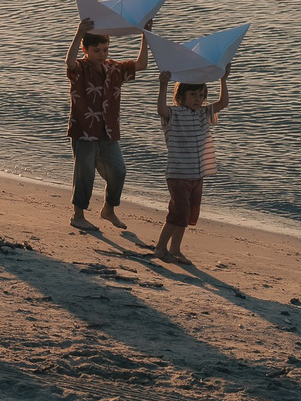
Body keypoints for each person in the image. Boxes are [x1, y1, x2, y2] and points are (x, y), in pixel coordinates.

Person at [66, 21, 149, 232]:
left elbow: (141, 64)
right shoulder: (81, 68)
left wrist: (145, 35)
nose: (102, 54)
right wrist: (79, 33)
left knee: (119, 171)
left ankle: (108, 209)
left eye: (105, 50)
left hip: (108, 130)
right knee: (84, 172)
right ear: (85, 50)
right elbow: (69, 61)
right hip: (84, 128)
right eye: (96, 51)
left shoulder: (114, 68)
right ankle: (78, 215)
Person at [151, 70, 232, 263]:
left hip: (198, 173)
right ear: (181, 96)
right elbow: (161, 109)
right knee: (179, 211)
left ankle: (175, 249)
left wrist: (223, 79)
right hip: (178, 173)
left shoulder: (204, 113)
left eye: (202, 95)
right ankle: (160, 248)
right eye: (193, 95)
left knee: (188, 213)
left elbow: (223, 103)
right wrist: (163, 86)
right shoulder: (174, 113)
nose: (198, 99)